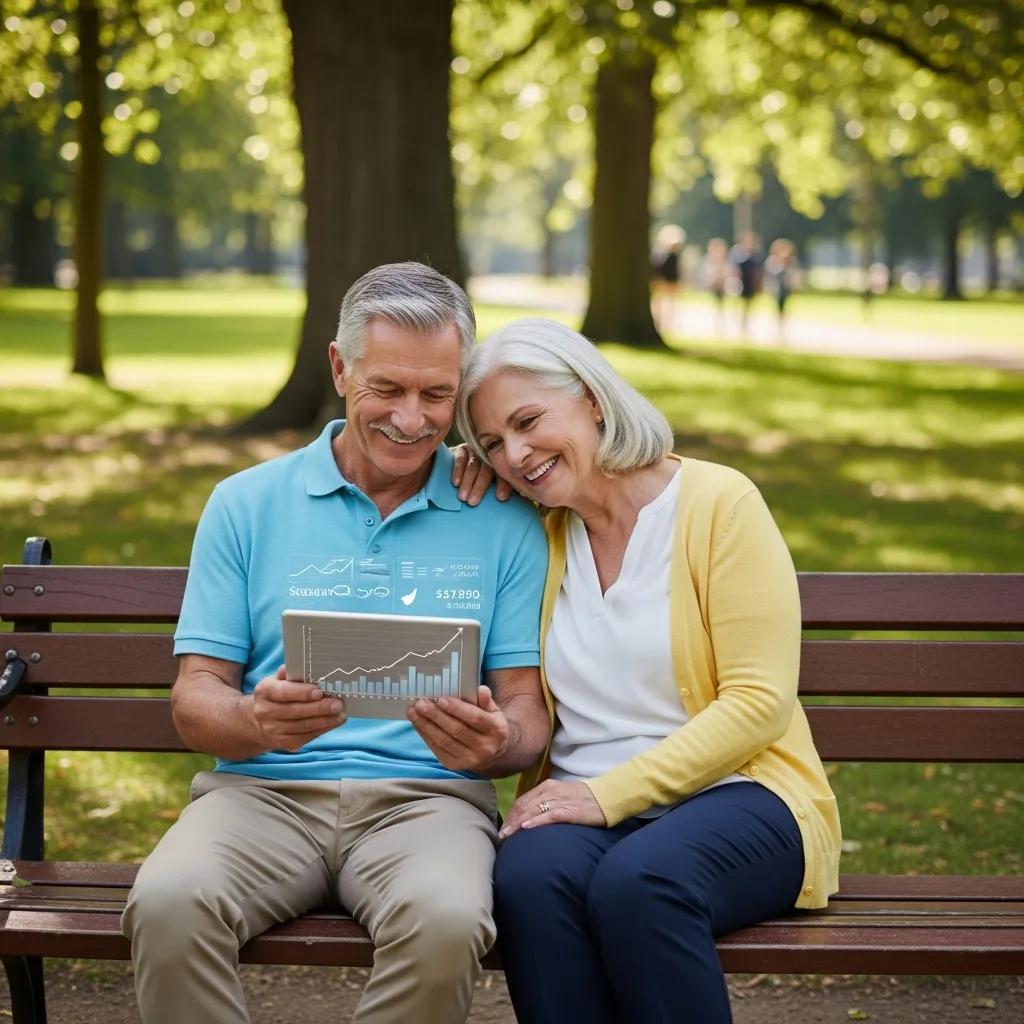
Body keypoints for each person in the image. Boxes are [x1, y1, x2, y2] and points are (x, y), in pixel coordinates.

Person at [122, 263, 551, 1024]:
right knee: (166, 903)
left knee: (449, 922)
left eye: (438, 395)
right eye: (387, 388)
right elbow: (195, 697)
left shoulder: (502, 515)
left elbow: (526, 713)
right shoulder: (247, 503)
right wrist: (254, 723)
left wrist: (496, 742)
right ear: (339, 368)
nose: (414, 420)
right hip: (260, 796)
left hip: (429, 804)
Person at [454, 318, 842, 1024]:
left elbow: (758, 702)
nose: (516, 454)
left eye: (529, 421)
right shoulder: (534, 531)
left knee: (640, 882)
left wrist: (608, 796)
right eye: (492, 443)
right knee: (528, 879)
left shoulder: (719, 505)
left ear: (593, 400)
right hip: (580, 800)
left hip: (741, 793)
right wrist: (461, 460)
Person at [650, 224, 686, 332]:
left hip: (671, 282)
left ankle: (669, 324)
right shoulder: (661, 256)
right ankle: (660, 322)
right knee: (660, 304)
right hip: (663, 283)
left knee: (671, 304)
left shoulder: (674, 257)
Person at [764, 237, 800, 341]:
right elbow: (770, 276)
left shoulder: (791, 262)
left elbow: (794, 276)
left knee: (784, 309)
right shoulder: (772, 261)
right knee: (776, 308)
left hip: (786, 289)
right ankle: (776, 328)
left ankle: (782, 329)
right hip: (776, 290)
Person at [730, 231, 764, 336]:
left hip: (750, 283)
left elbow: (758, 271)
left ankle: (745, 323)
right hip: (741, 281)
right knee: (738, 303)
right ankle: (739, 322)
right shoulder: (738, 252)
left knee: (749, 304)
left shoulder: (756, 255)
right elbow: (734, 268)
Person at [701, 236, 730, 332]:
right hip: (710, 286)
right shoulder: (708, 260)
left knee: (720, 306)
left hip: (722, 287)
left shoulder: (725, 261)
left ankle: (719, 324)